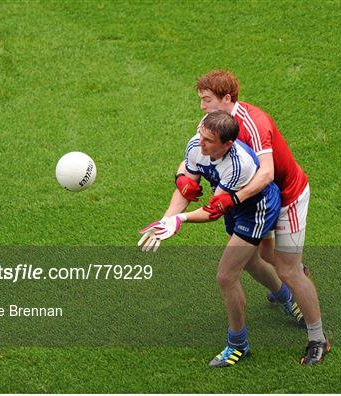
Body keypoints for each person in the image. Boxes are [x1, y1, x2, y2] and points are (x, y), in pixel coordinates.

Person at [174, 70, 329, 365]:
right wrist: (182, 177)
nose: (202, 107)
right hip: (257, 201)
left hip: (286, 197)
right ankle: (287, 290)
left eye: (206, 100)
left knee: (287, 268)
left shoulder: (254, 124)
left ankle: (317, 338)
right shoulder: (212, 125)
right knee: (263, 255)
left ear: (227, 99)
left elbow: (267, 174)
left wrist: (231, 198)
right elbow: (195, 154)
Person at [139, 111, 283, 367]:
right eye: (201, 135)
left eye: (208, 140)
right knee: (249, 263)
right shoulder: (197, 143)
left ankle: (238, 344)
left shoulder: (238, 165)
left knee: (226, 275)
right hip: (232, 205)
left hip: (256, 209)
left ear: (227, 144)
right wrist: (165, 220)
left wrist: (180, 220)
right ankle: (286, 297)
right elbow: (187, 187)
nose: (200, 142)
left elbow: (213, 211)